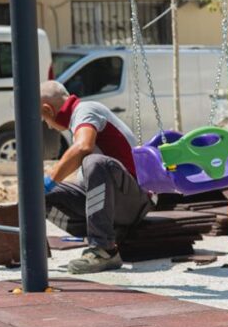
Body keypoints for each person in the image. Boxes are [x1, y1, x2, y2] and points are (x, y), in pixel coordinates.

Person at [39, 80, 152, 274]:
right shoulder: (77, 120)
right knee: (39, 195)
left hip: (134, 201)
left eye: (44, 119)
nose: (48, 126)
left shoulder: (85, 110)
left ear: (47, 110)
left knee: (95, 162)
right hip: (115, 203)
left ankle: (104, 250)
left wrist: (51, 179)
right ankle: (105, 234)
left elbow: (84, 147)